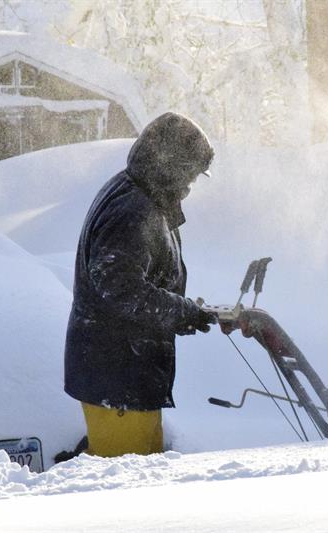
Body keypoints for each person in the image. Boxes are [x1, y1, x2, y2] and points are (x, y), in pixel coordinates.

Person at [63, 112, 218, 458]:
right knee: (121, 489)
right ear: (171, 165)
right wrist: (181, 312)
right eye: (190, 172)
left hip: (129, 375)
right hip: (117, 376)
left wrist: (186, 310)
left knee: (142, 477)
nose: (192, 183)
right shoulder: (132, 210)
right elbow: (120, 288)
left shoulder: (142, 193)